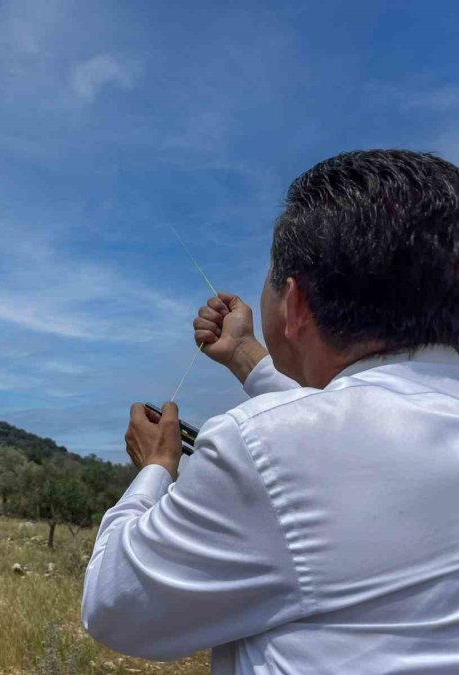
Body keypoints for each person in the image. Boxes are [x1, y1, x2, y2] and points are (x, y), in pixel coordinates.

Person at [82, 150, 459, 674]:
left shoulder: (263, 447)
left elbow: (115, 606)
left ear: (297, 304)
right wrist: (244, 356)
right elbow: (359, 423)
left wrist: (155, 468)